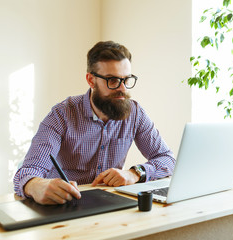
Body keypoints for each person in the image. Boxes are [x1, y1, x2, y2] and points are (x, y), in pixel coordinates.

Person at [13, 41, 175, 205]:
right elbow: (28, 170)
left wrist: (135, 173)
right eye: (112, 80)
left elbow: (167, 159)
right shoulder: (61, 115)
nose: (122, 89)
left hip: (108, 202)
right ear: (91, 80)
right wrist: (35, 185)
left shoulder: (135, 113)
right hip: (63, 204)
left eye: (126, 80)